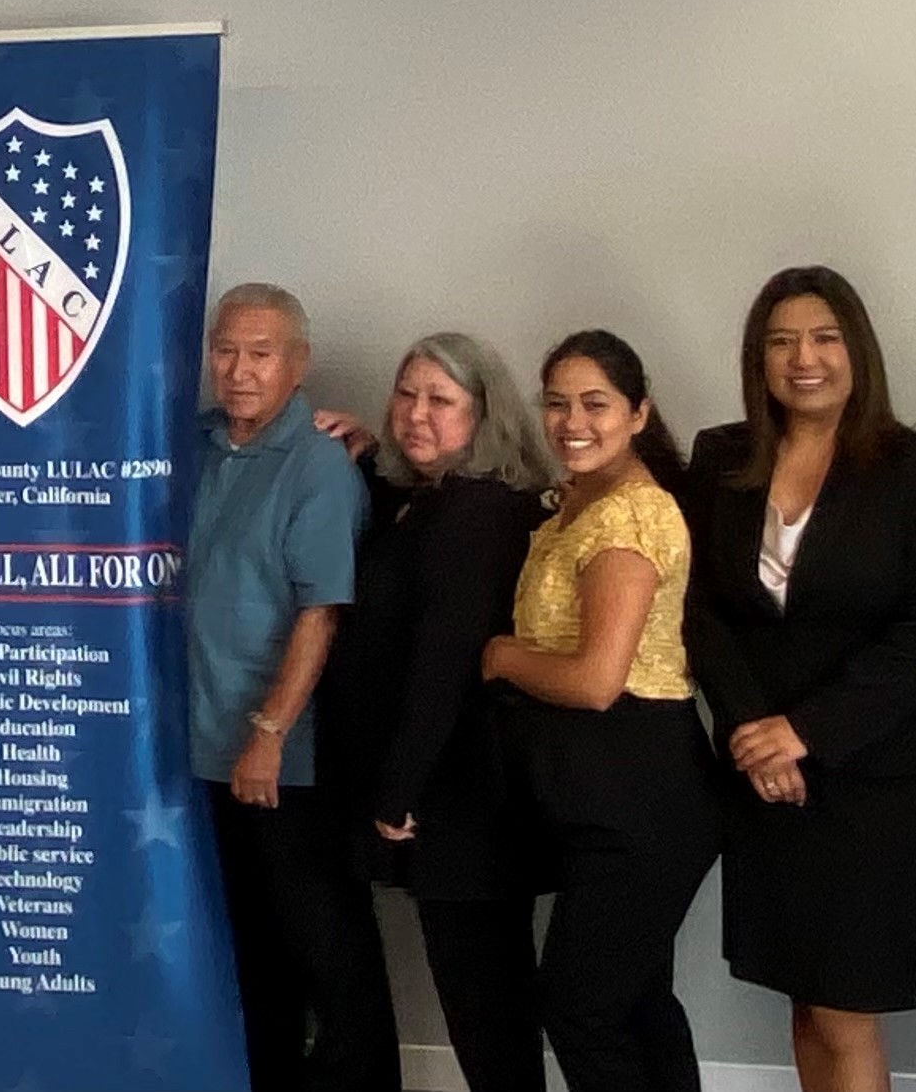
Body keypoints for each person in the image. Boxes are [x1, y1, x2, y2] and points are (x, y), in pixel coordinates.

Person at [681, 269, 916, 1092]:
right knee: (804, 999)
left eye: (823, 337)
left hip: (869, 774)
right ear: (758, 358)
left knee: (846, 1007)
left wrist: (805, 734)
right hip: (759, 768)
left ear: (857, 350)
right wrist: (752, 732)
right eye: (780, 341)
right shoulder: (722, 456)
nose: (802, 358)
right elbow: (698, 608)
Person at [481, 329, 719, 1092]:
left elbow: (595, 681)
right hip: (601, 791)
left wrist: (500, 656)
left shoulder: (633, 517)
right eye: (556, 403)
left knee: (580, 1006)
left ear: (639, 413)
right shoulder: (576, 506)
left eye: (595, 404)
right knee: (637, 1000)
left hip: (641, 793)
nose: (571, 421)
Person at [317, 332, 548, 1092]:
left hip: (462, 804)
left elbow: (442, 664)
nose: (417, 414)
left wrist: (398, 793)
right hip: (444, 799)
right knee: (480, 1008)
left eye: (440, 401)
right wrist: (370, 449)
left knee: (488, 1013)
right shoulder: (430, 502)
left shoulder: (480, 511)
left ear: (485, 416)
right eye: (406, 394)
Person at [186, 283, 399, 1092]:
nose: (239, 370)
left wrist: (269, 735)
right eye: (226, 350)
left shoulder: (317, 465)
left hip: (284, 758)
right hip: (206, 747)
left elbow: (322, 615)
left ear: (298, 363)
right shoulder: (201, 445)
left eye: (261, 353)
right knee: (251, 949)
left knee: (329, 952)